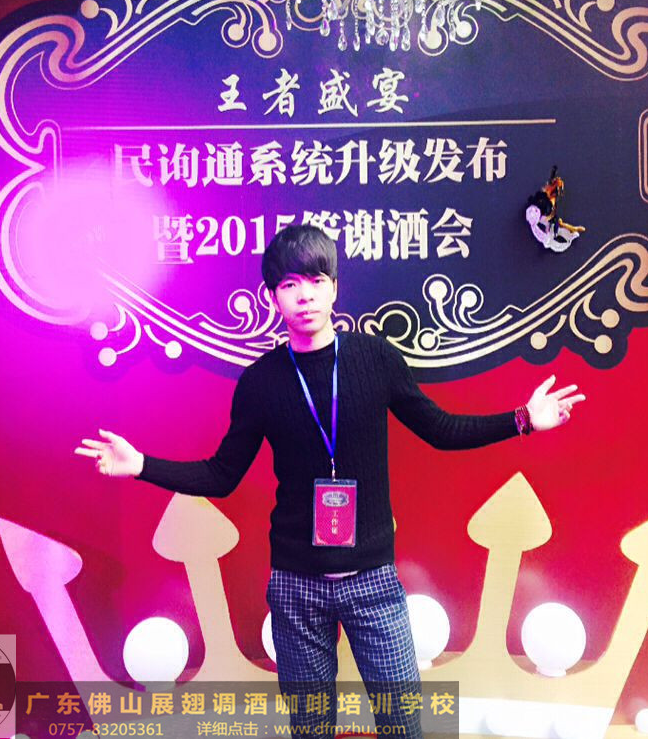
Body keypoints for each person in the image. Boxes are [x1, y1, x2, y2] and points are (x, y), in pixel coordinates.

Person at [75, 224, 584, 737]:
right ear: (271, 297)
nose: (305, 296)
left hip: (373, 579)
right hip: (296, 586)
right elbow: (222, 474)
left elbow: (441, 430)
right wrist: (141, 464)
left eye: (317, 281)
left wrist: (523, 419)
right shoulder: (260, 383)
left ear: (335, 288)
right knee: (311, 727)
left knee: (403, 723)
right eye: (290, 285)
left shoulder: (376, 359)